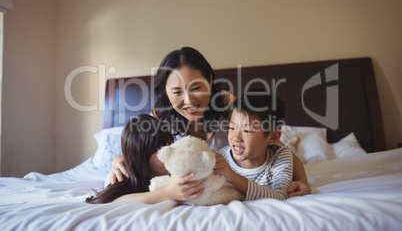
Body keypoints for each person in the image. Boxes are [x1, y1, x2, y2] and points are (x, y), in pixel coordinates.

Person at [110, 47, 311, 197]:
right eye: (177, 92)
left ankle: (295, 142)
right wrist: (117, 159)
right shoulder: (161, 116)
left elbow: (276, 148)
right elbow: (139, 149)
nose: (189, 101)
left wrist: (302, 180)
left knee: (285, 148)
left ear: (210, 81)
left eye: (196, 87)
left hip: (249, 163)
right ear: (166, 92)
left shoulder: (227, 104)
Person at [86, 114, 205, 204]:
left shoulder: (175, 166)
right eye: (160, 150)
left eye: (172, 146)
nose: (171, 154)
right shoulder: (123, 177)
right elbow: (114, 200)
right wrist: (167, 193)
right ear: (142, 159)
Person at [214, 90, 292, 201]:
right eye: (232, 128)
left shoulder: (280, 157)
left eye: (247, 131)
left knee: (290, 148)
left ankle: (293, 143)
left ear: (272, 137)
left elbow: (281, 196)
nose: (236, 138)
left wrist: (233, 177)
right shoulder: (222, 159)